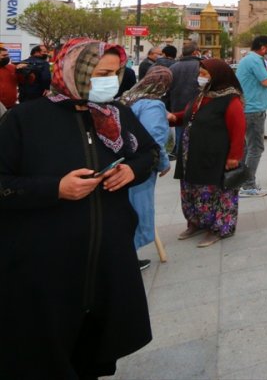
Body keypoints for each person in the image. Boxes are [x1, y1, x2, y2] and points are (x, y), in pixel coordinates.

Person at [0, 38, 157, 377]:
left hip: (105, 263)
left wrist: (131, 169)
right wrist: (56, 188)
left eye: (115, 74)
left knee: (94, 350)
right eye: (101, 73)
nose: (110, 82)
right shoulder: (24, 120)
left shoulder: (118, 116)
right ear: (73, 72)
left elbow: (149, 153)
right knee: (44, 352)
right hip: (44, 267)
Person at [174, 58, 245, 247]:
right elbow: (192, 113)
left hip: (216, 156)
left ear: (217, 76)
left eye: (204, 74)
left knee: (216, 192)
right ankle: (196, 223)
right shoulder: (203, 94)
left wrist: (234, 157)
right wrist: (174, 117)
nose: (200, 77)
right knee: (192, 189)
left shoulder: (230, 99)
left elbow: (238, 129)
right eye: (199, 73)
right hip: (192, 154)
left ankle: (219, 228)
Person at [120, 65, 174, 270]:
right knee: (139, 209)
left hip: (123, 162)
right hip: (140, 167)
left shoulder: (128, 97)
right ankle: (128, 257)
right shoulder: (152, 105)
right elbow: (154, 140)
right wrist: (163, 163)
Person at [236, 35, 267, 197]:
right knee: (256, 148)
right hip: (253, 108)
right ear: (263, 47)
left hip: (248, 107)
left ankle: (241, 181)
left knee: (247, 147)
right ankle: (248, 186)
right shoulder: (255, 60)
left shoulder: (248, 59)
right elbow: (265, 81)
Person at [168, 42, 202, 149]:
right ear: (195, 52)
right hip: (198, 108)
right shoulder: (202, 66)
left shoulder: (173, 67)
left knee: (180, 140)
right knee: (197, 142)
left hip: (177, 109)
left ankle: (180, 163)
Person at [0, 45, 17, 109]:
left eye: (7, 55)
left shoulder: (12, 68)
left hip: (10, 105)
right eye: (4, 55)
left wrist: (24, 72)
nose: (7, 57)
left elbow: (25, 81)